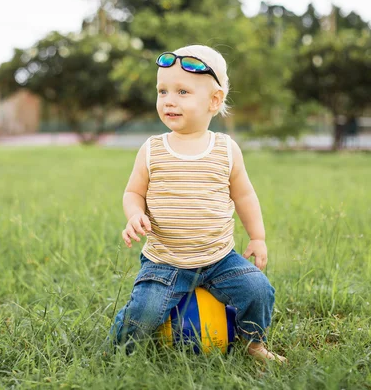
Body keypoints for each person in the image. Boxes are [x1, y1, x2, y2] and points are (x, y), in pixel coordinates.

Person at [109, 45, 285, 363]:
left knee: (257, 289)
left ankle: (253, 344)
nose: (169, 100)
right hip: (165, 262)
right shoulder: (152, 149)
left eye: (182, 91)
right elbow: (133, 192)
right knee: (144, 310)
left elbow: (245, 195)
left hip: (220, 259)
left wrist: (257, 237)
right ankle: (121, 352)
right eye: (163, 91)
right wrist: (134, 214)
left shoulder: (226, 148)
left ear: (214, 101)